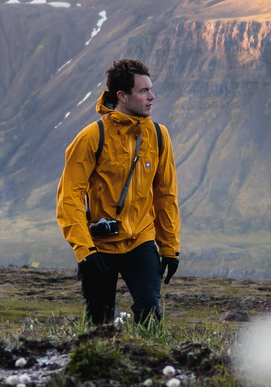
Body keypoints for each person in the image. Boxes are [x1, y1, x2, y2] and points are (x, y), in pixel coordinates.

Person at [55, 56, 180, 332]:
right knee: (99, 325)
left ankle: (150, 370)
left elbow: (165, 195)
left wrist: (169, 248)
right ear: (122, 96)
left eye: (151, 89)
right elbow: (69, 198)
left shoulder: (160, 136)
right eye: (143, 91)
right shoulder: (91, 137)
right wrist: (84, 251)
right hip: (100, 245)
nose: (152, 96)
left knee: (150, 314)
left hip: (141, 239)